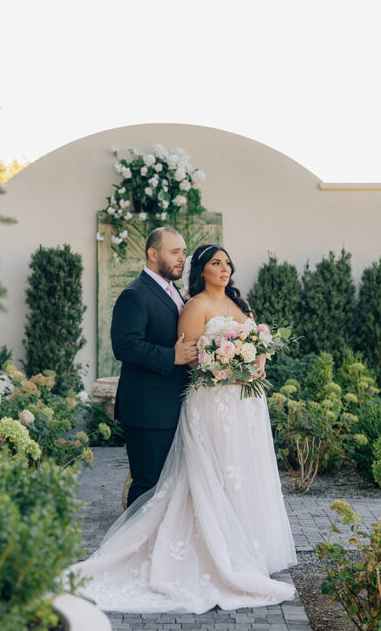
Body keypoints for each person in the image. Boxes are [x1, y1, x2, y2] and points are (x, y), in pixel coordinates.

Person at [70, 243, 297, 614]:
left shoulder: (241, 305)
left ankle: (247, 550)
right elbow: (192, 361)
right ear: (202, 270)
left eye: (227, 263)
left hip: (246, 405)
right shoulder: (193, 306)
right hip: (213, 404)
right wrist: (229, 371)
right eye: (215, 263)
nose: (225, 268)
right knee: (212, 475)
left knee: (244, 473)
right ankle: (201, 554)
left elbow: (258, 348)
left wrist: (256, 365)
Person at [110, 227, 197, 508]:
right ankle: (133, 547)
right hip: (148, 409)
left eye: (183, 252)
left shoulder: (175, 293)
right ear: (152, 253)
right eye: (174, 252)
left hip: (174, 404)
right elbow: (125, 346)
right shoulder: (134, 295)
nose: (181, 259)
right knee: (148, 484)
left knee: (170, 484)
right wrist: (171, 356)